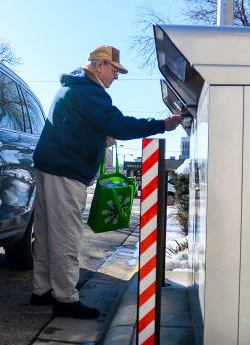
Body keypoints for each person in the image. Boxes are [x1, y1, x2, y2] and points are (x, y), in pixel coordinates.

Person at [31, 45, 184, 319]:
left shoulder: (73, 87)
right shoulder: (90, 91)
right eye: (115, 70)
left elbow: (74, 124)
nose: (116, 77)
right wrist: (161, 124)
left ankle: (42, 290)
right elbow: (120, 125)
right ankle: (65, 299)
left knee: (45, 232)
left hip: (48, 165)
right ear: (99, 65)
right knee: (66, 235)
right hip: (65, 169)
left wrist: (97, 135)